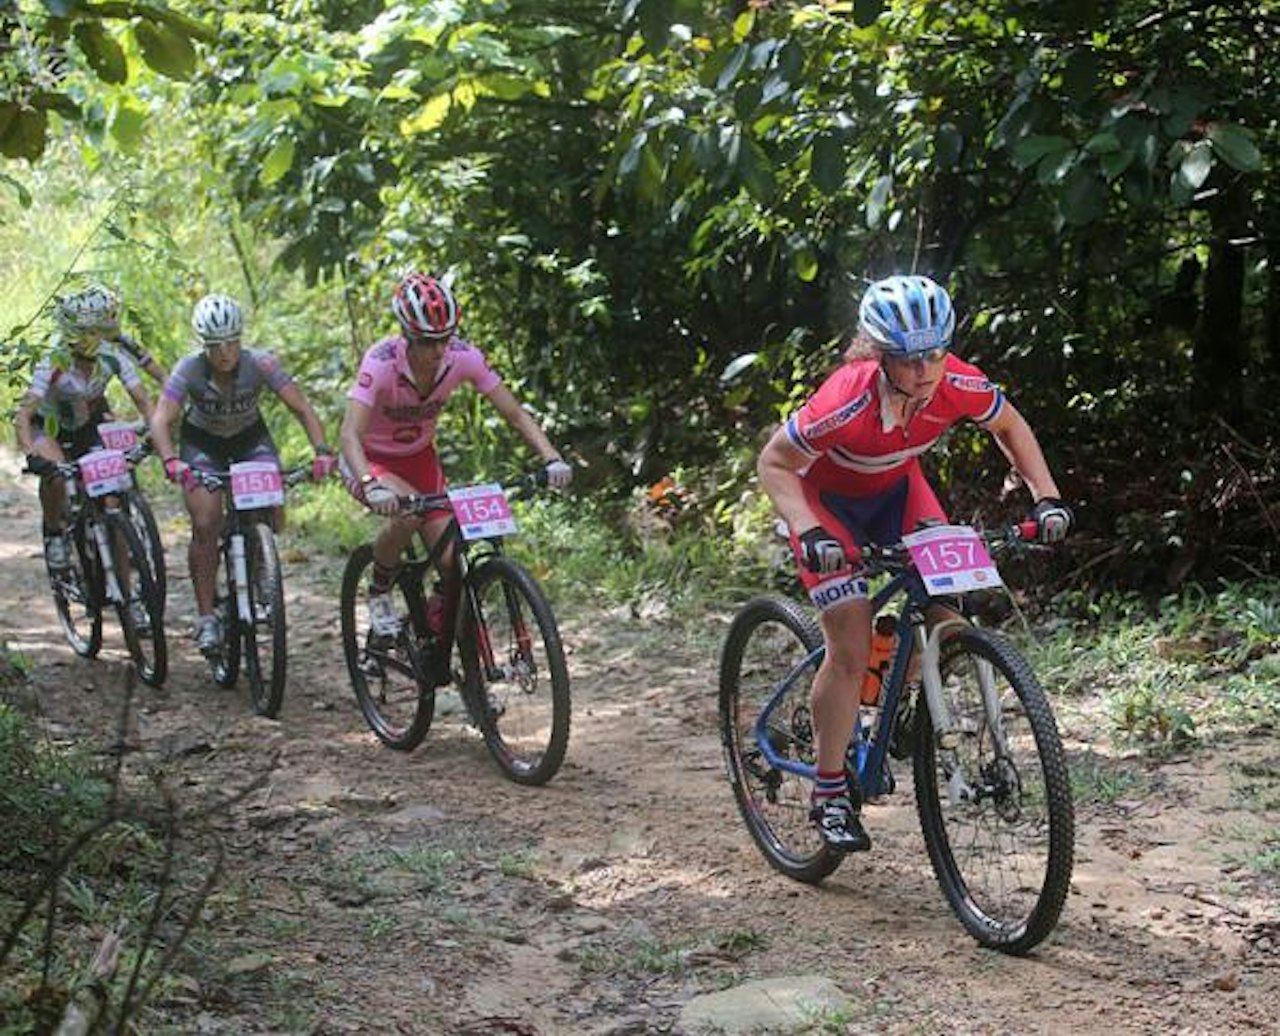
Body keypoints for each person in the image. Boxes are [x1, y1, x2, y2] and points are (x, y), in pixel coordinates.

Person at [757, 274, 1073, 852]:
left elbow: (1010, 425)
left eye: (934, 352)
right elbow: (774, 463)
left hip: (900, 495)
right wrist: (808, 531)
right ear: (881, 357)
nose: (925, 369)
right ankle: (829, 792)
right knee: (849, 647)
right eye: (908, 359)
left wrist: (1046, 496)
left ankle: (900, 697)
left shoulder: (957, 381)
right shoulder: (845, 397)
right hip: (827, 507)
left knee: (948, 621)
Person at [338, 273, 571, 673]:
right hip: (370, 460)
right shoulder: (380, 362)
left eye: (446, 338)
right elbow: (349, 434)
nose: (439, 349)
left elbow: (513, 412)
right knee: (407, 513)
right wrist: (370, 485)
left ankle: (450, 653)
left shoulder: (462, 358)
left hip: (419, 459)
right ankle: (378, 594)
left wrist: (551, 457)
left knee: (453, 565)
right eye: (429, 341)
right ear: (407, 336)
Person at [150, 293, 337, 654]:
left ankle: (259, 558)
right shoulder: (187, 369)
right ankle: (206, 617)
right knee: (206, 523)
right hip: (202, 445)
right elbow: (162, 418)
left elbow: (302, 408)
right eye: (216, 345)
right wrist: (171, 460)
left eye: (232, 342)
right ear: (203, 345)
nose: (225, 353)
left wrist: (322, 451)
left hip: (251, 439)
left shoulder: (262, 364)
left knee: (272, 508)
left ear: (241, 338)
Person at [16, 290, 155, 594]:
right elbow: (24, 416)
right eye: (90, 331)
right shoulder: (52, 361)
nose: (97, 336)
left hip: (87, 426)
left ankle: (126, 591)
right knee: (55, 473)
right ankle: (55, 533)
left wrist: (156, 432)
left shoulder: (111, 355)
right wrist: (30, 455)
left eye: (101, 329)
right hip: (49, 427)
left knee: (111, 504)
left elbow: (143, 399)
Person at [73, 284, 168, 385]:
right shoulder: (77, 343)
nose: (117, 319)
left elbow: (162, 376)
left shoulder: (124, 341)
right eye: (113, 315)